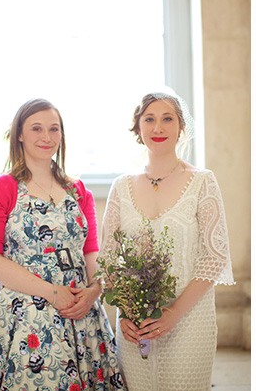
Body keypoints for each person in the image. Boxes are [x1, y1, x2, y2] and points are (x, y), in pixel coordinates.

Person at [0, 98, 126, 391]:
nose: (46, 137)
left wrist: (95, 290)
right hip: (21, 314)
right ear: (19, 134)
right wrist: (52, 293)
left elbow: (92, 251)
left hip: (80, 311)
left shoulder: (78, 191)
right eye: (36, 129)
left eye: (54, 129)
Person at [100, 91, 234, 391]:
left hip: (190, 321)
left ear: (180, 128)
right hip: (135, 325)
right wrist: (124, 316)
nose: (158, 127)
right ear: (138, 129)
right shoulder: (120, 186)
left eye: (167, 119)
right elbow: (108, 258)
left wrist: (173, 314)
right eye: (149, 119)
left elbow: (214, 257)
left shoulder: (203, 181)